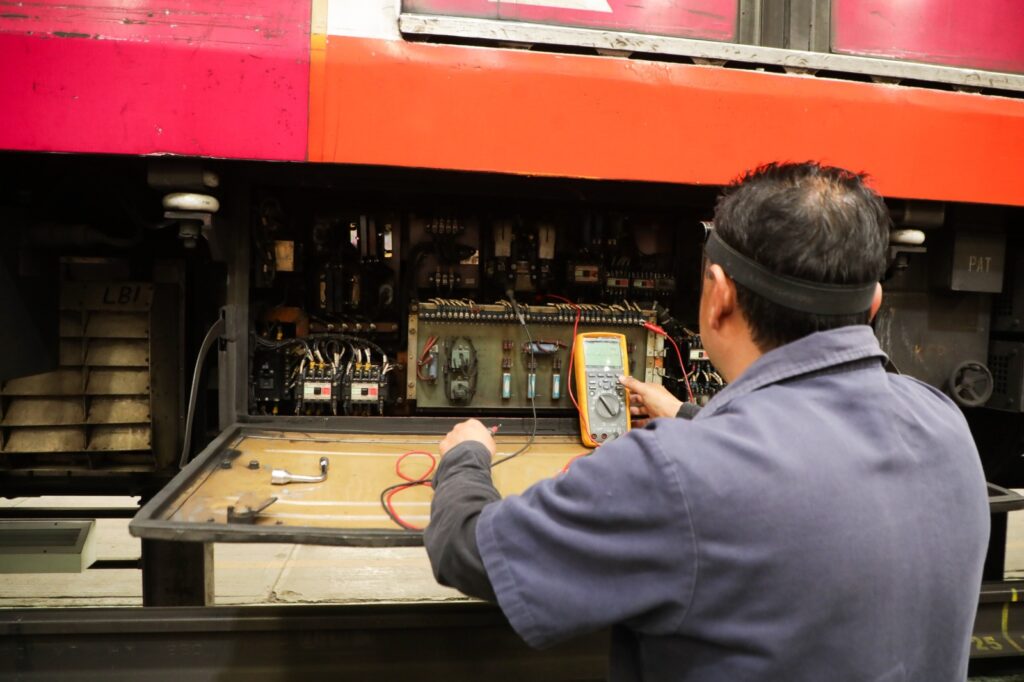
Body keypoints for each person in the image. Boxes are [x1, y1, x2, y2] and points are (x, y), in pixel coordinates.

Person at [424, 162, 990, 681]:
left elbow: (470, 552)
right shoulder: (943, 423)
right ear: (873, 305)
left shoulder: (675, 471)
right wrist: (693, 415)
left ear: (718, 296)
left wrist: (465, 457)